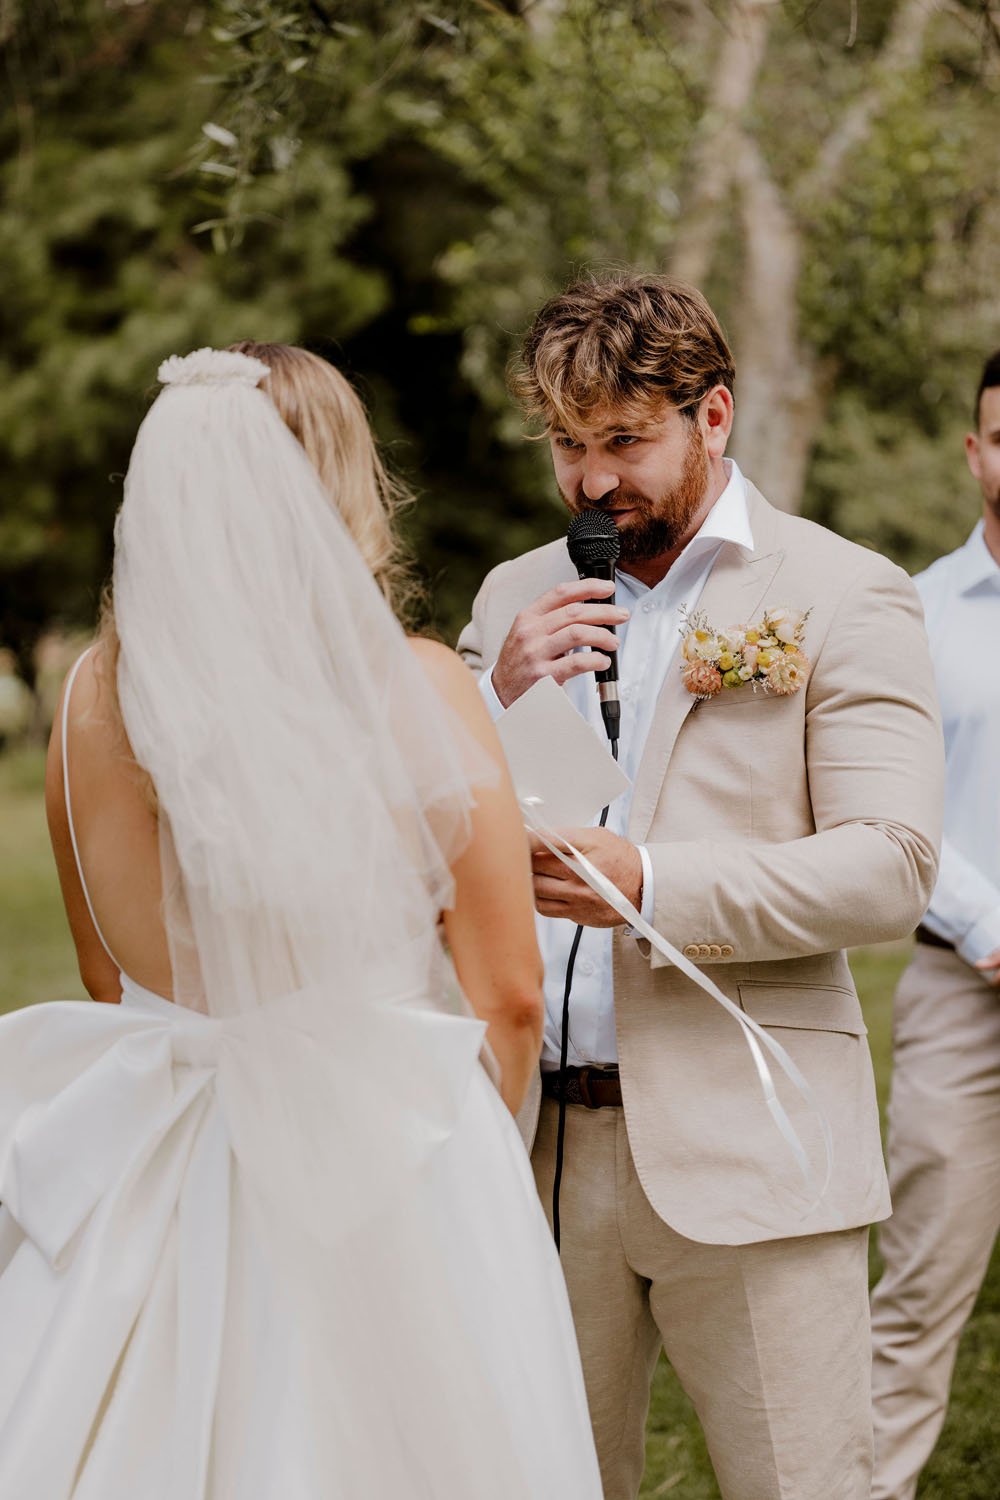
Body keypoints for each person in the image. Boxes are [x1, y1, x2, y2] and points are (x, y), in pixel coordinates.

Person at [0, 344, 603, 1499]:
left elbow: (100, 969)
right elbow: (511, 994)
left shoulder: (86, 697)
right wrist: (467, 1176)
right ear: (336, 488)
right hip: (379, 1165)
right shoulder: (415, 685)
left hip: (155, 1158)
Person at [457, 272, 945, 1500]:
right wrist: (485, 704)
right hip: (535, 1156)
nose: (590, 481)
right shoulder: (511, 601)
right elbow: (420, 847)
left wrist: (652, 879)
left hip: (755, 1153)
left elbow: (889, 866)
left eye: (624, 440)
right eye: (569, 445)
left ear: (713, 417)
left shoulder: (842, 591)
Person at [869, 350, 1000, 1499]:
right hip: (963, 986)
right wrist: (987, 926)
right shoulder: (908, 611)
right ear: (975, 453)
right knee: (918, 1290)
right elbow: (883, 799)